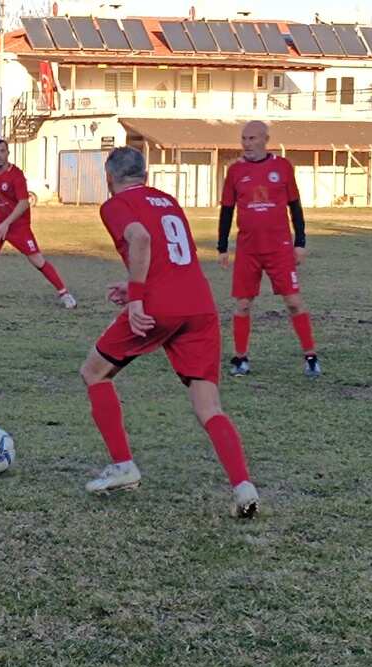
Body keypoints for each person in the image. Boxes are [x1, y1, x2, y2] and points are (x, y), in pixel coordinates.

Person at [80, 147, 261, 519]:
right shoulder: (168, 201)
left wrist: (137, 299)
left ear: (109, 177)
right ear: (145, 175)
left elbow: (141, 240)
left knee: (94, 372)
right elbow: (172, 258)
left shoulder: (114, 205)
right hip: (199, 305)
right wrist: (133, 288)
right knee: (208, 406)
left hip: (160, 306)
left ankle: (123, 466)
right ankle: (244, 487)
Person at [218, 121, 320, 378]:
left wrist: (300, 243)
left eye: (252, 138)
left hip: (279, 247)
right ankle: (241, 359)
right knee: (242, 304)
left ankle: (310, 357)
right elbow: (227, 210)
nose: (247, 143)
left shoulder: (282, 167)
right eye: (243, 138)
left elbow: (295, 207)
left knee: (294, 302)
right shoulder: (234, 171)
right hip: (248, 248)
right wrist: (222, 247)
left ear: (265, 139)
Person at [0, 138, 76, 309]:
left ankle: (65, 294)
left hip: (18, 226)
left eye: (2, 151)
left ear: (8, 153)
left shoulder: (16, 175)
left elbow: (24, 203)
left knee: (38, 261)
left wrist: (7, 223)